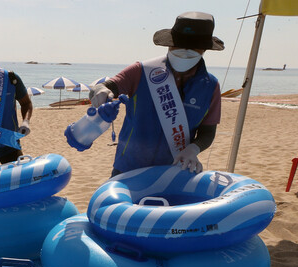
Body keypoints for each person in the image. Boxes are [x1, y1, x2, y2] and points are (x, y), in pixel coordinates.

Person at [89, 12, 224, 177]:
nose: (184, 51)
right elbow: (108, 86)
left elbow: (208, 132)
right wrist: (101, 91)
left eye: (192, 47)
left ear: (204, 49)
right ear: (169, 44)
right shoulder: (142, 70)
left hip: (174, 171)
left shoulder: (211, 86)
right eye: (179, 46)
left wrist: (193, 149)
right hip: (128, 168)